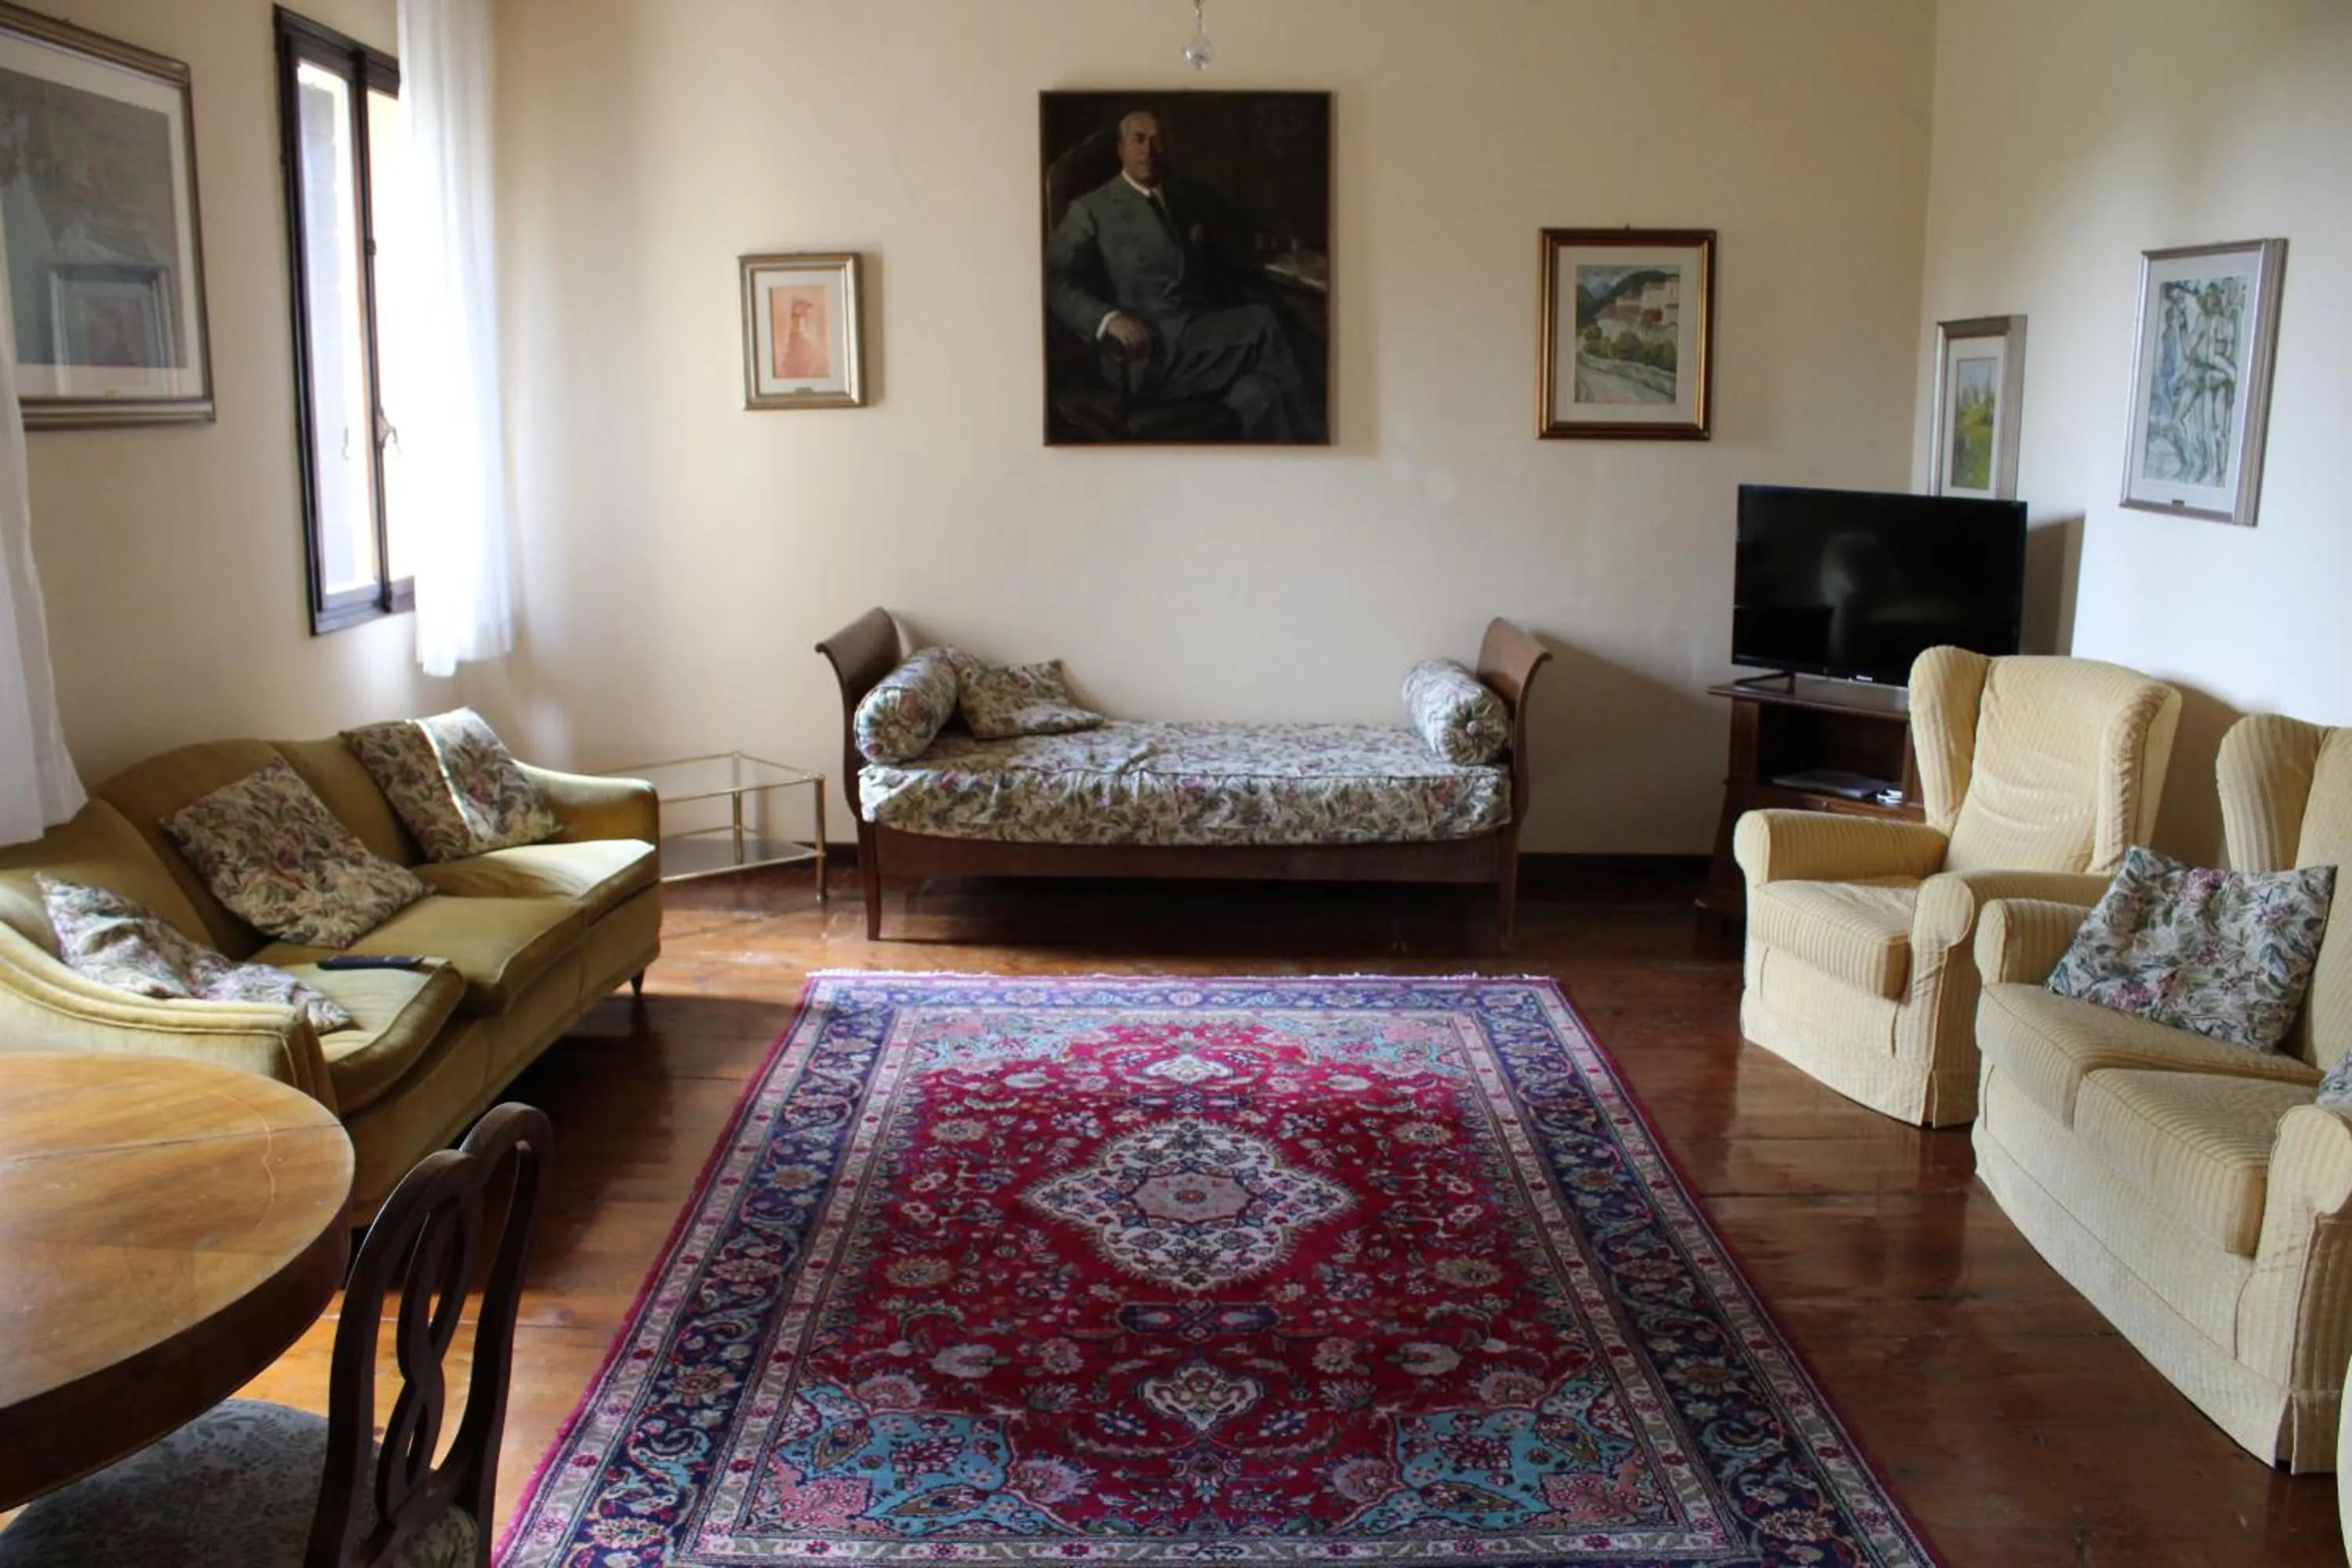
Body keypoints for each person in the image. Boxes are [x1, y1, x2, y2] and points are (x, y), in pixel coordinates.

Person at [1044, 109, 1323, 441]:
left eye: (1157, 140)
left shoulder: (1181, 199)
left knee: (1261, 391)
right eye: (1138, 140)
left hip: (1200, 341)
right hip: (1147, 353)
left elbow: (1221, 250)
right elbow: (1052, 277)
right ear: (1121, 149)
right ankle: (1320, 441)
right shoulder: (1092, 209)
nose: (1148, 150)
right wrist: (1107, 319)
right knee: (1264, 324)